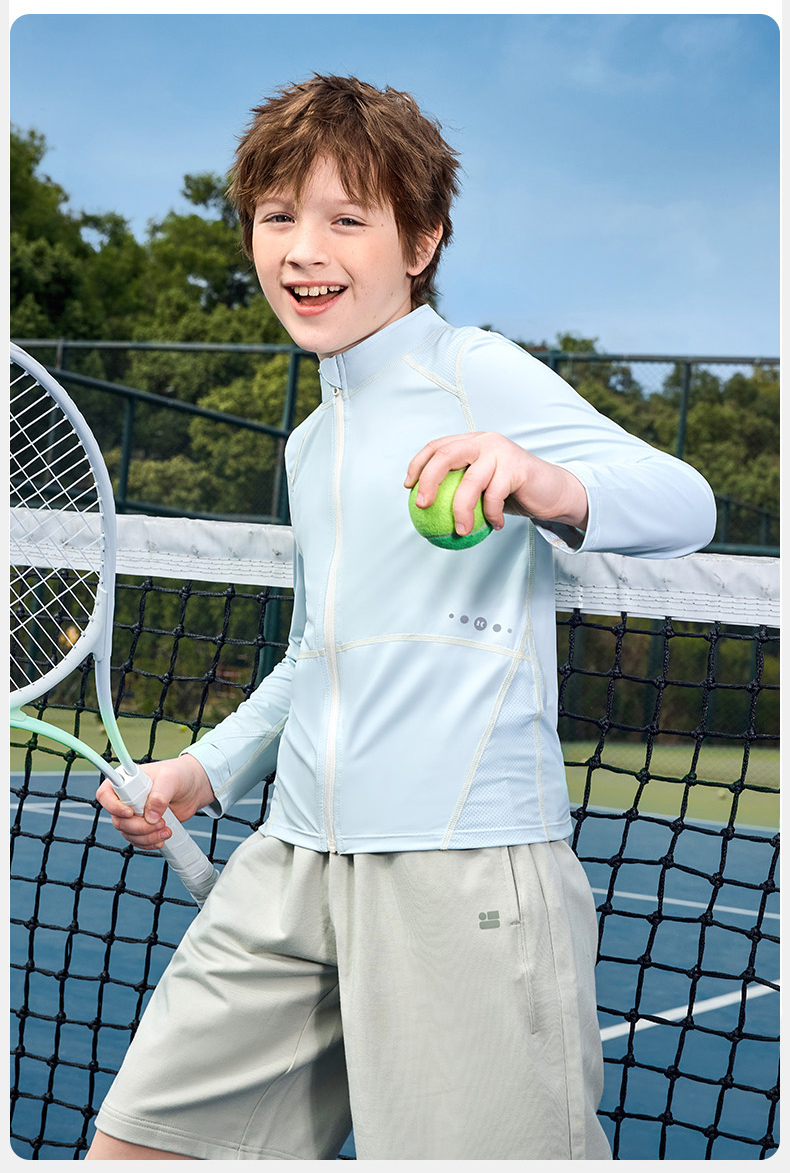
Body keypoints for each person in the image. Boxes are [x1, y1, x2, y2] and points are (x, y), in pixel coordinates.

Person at [86, 74, 716, 1161]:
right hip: (291, 865)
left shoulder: (476, 371)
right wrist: (206, 769)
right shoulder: (311, 442)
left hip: (458, 871)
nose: (303, 251)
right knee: (141, 1148)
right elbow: (319, 655)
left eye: (347, 220)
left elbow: (687, 501)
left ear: (420, 242)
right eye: (276, 217)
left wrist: (543, 479)